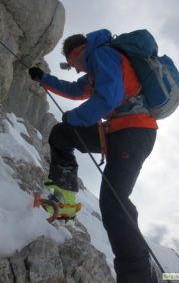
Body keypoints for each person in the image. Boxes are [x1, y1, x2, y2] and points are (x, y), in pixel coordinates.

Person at [29, 29, 158, 283]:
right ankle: (65, 198)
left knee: (113, 201)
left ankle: (138, 277)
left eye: (72, 63)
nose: (76, 70)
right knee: (61, 134)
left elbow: (109, 97)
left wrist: (75, 117)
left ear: (78, 52)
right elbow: (75, 90)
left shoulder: (102, 55)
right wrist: (44, 79)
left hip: (133, 131)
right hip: (118, 132)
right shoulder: (96, 68)